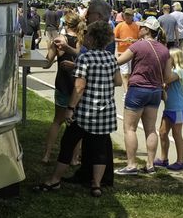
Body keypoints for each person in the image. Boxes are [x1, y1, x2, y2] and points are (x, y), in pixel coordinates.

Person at [38, 21, 122, 197]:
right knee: (100, 149)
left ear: (91, 38)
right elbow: (118, 82)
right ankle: (96, 185)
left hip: (85, 112)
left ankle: (55, 180)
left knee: (68, 143)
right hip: (105, 112)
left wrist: (70, 108)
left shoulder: (85, 58)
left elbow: (79, 87)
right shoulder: (111, 58)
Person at [115, 16, 173, 175]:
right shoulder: (164, 49)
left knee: (130, 128)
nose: (138, 29)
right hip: (155, 91)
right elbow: (168, 76)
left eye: (141, 27)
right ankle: (150, 164)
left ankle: (131, 165)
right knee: (151, 129)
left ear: (147, 30)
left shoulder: (138, 46)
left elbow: (119, 62)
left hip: (138, 89)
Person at [41, 12, 86, 164]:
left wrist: (48, 49)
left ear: (65, 24)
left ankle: (47, 154)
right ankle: (74, 158)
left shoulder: (59, 40)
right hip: (78, 86)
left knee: (57, 121)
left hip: (62, 84)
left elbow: (46, 64)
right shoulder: (82, 40)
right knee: (77, 124)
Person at [155, 48, 183, 171]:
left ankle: (180, 161)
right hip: (169, 108)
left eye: (168, 57)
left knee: (177, 134)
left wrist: (167, 63)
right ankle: (164, 159)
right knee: (163, 132)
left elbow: (167, 79)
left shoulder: (179, 71)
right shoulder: (170, 71)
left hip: (179, 108)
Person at [114, 9, 140, 93]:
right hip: (122, 53)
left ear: (133, 16)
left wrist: (134, 41)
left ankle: (130, 89)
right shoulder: (120, 25)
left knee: (131, 73)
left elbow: (140, 39)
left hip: (133, 53)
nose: (127, 17)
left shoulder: (136, 26)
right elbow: (113, 38)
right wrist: (123, 40)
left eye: (129, 15)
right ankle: (126, 92)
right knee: (124, 73)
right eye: (126, 15)